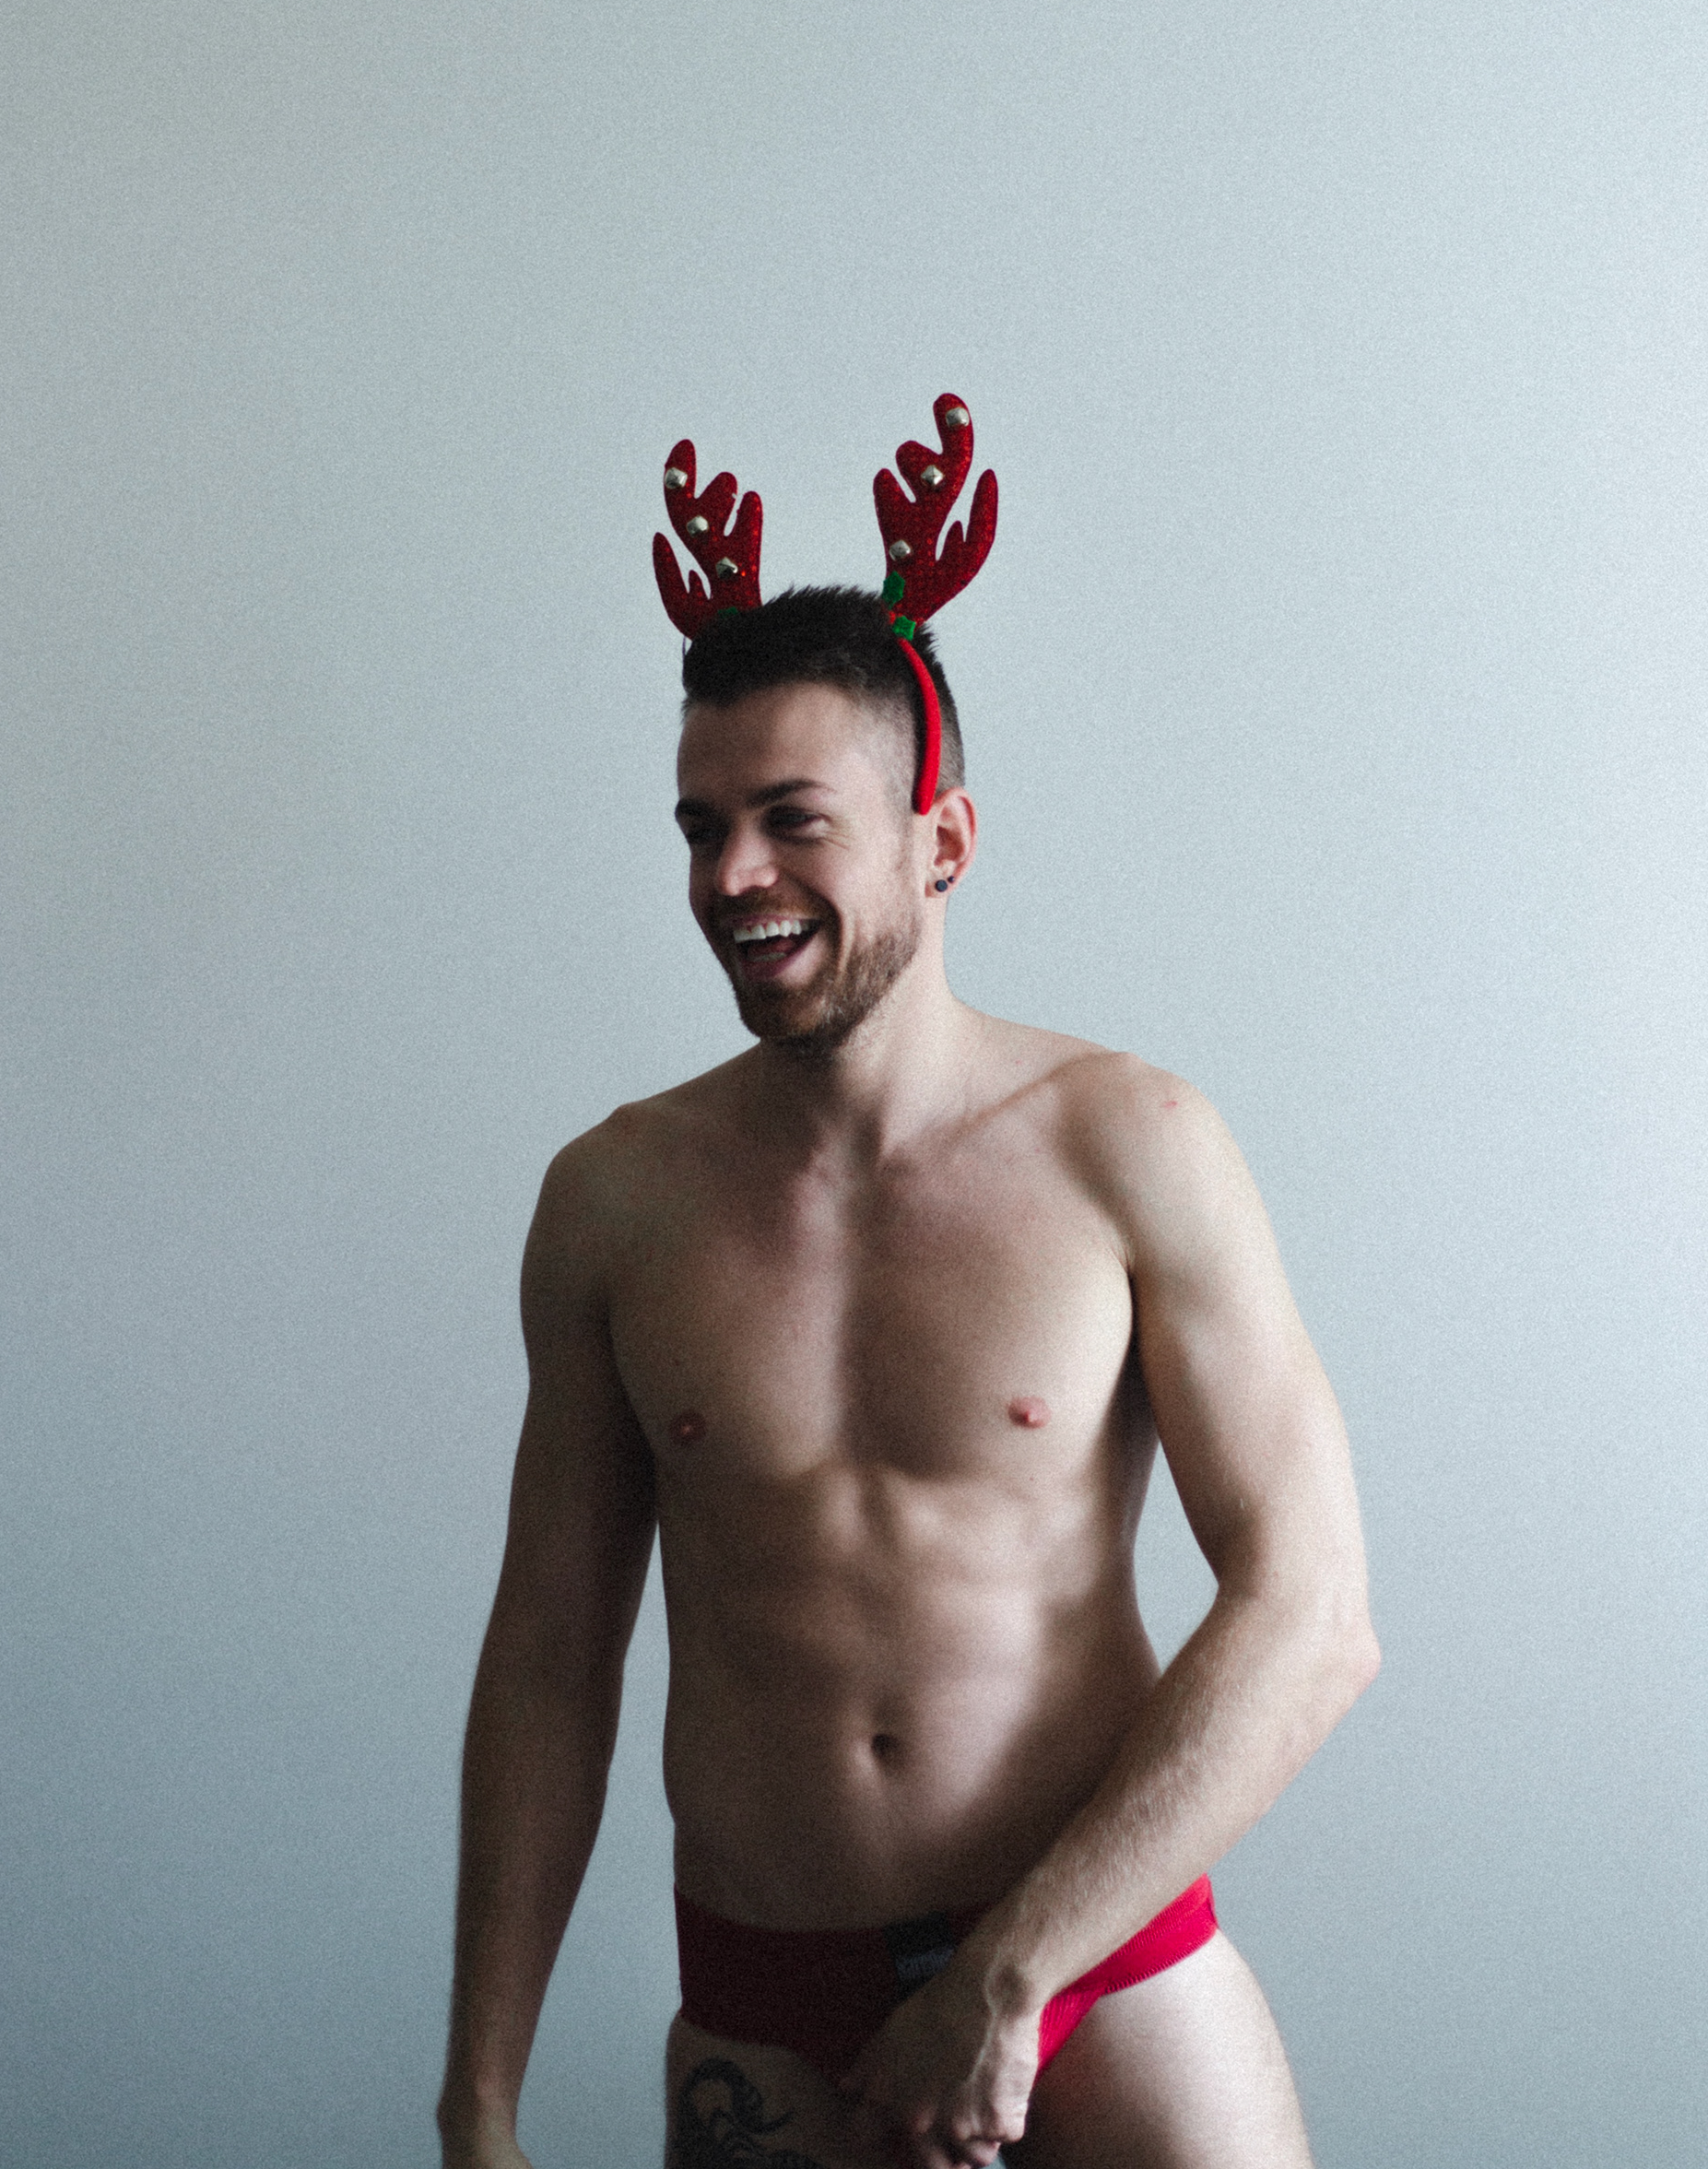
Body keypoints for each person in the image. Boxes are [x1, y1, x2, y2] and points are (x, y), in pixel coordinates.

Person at [437, 420, 1378, 2169]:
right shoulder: (615, 1203)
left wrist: (1010, 1979)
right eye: (703, 827)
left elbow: (1312, 1614)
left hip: (1099, 1976)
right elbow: (551, 1661)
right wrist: (478, 2097)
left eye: (792, 820)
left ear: (941, 840)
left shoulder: (1131, 1145)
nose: (732, 877)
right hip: (770, 1999)